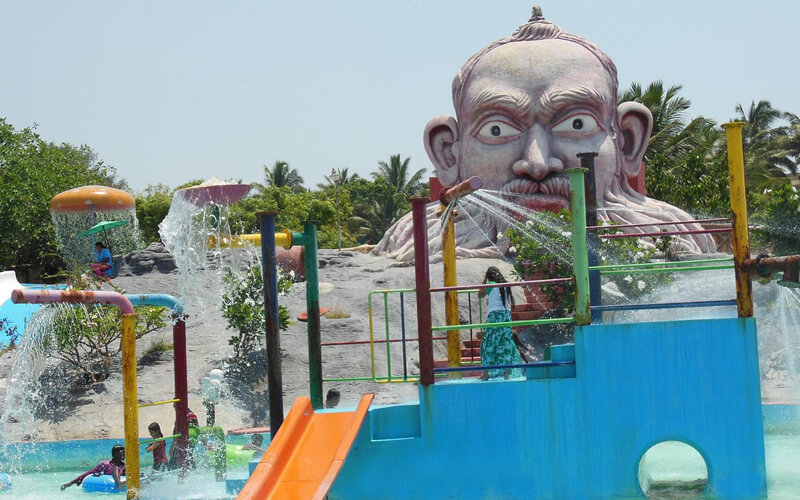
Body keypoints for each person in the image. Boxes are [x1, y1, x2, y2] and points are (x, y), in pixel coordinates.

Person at [373, 6, 715, 262]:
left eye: (576, 124)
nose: (537, 164)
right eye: (497, 129)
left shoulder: (678, 244)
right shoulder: (415, 251)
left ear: (627, 140)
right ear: (448, 152)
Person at [478, 267, 523, 380]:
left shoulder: (491, 284)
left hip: (495, 317)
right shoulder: (505, 285)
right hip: (506, 317)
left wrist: (484, 280)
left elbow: (480, 295)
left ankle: (486, 374)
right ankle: (507, 373)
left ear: (489, 276)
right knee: (505, 343)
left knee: (488, 343)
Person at [61, 444, 125, 491]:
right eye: (122, 452)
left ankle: (119, 483)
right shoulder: (105, 464)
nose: (124, 454)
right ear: (115, 453)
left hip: (120, 483)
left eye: (125, 452)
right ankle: (119, 483)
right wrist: (70, 483)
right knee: (116, 467)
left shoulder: (124, 466)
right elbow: (89, 473)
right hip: (109, 484)